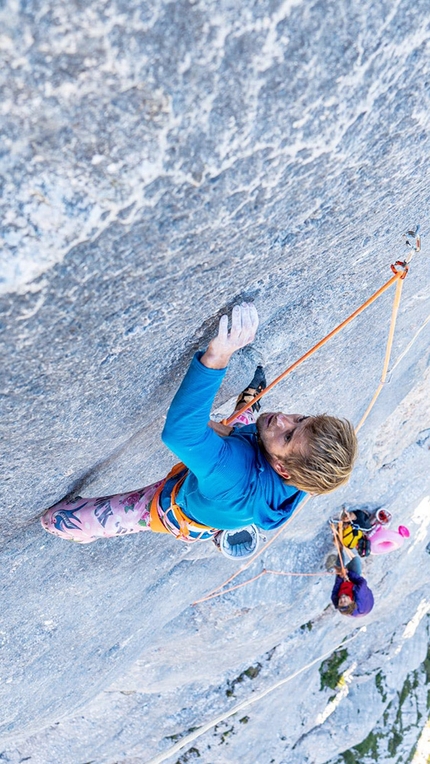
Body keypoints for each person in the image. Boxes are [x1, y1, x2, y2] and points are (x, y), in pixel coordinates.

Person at [41, 303, 358, 544]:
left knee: (64, 519)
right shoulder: (305, 476)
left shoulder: (234, 474)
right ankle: (247, 411)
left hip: (175, 509)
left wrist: (217, 356)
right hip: (227, 493)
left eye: (288, 436)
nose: (283, 419)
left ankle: (69, 525)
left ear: (283, 470)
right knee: (246, 430)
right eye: (300, 419)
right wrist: (241, 435)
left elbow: (182, 433)